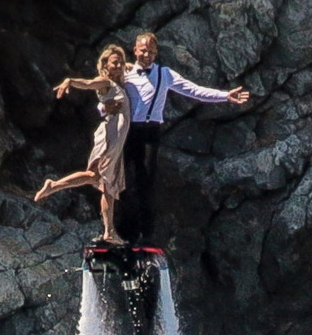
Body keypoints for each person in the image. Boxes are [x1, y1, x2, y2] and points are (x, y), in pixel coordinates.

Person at [118, 30, 250, 244]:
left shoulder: (164, 74)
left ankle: (145, 234)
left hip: (150, 131)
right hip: (127, 131)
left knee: (145, 182)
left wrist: (226, 96)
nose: (147, 54)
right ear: (135, 50)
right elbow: (105, 91)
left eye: (151, 51)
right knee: (120, 181)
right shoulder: (125, 74)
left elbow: (194, 91)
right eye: (143, 50)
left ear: (156, 53)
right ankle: (121, 231)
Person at [37, 45, 133, 245]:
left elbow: (132, 69)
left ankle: (109, 231)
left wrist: (130, 66)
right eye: (114, 63)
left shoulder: (119, 83)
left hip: (116, 142)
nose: (118, 66)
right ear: (105, 65)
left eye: (121, 62)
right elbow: (89, 83)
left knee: (104, 185)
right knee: (99, 179)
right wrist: (71, 81)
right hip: (109, 138)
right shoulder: (105, 82)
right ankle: (54, 186)